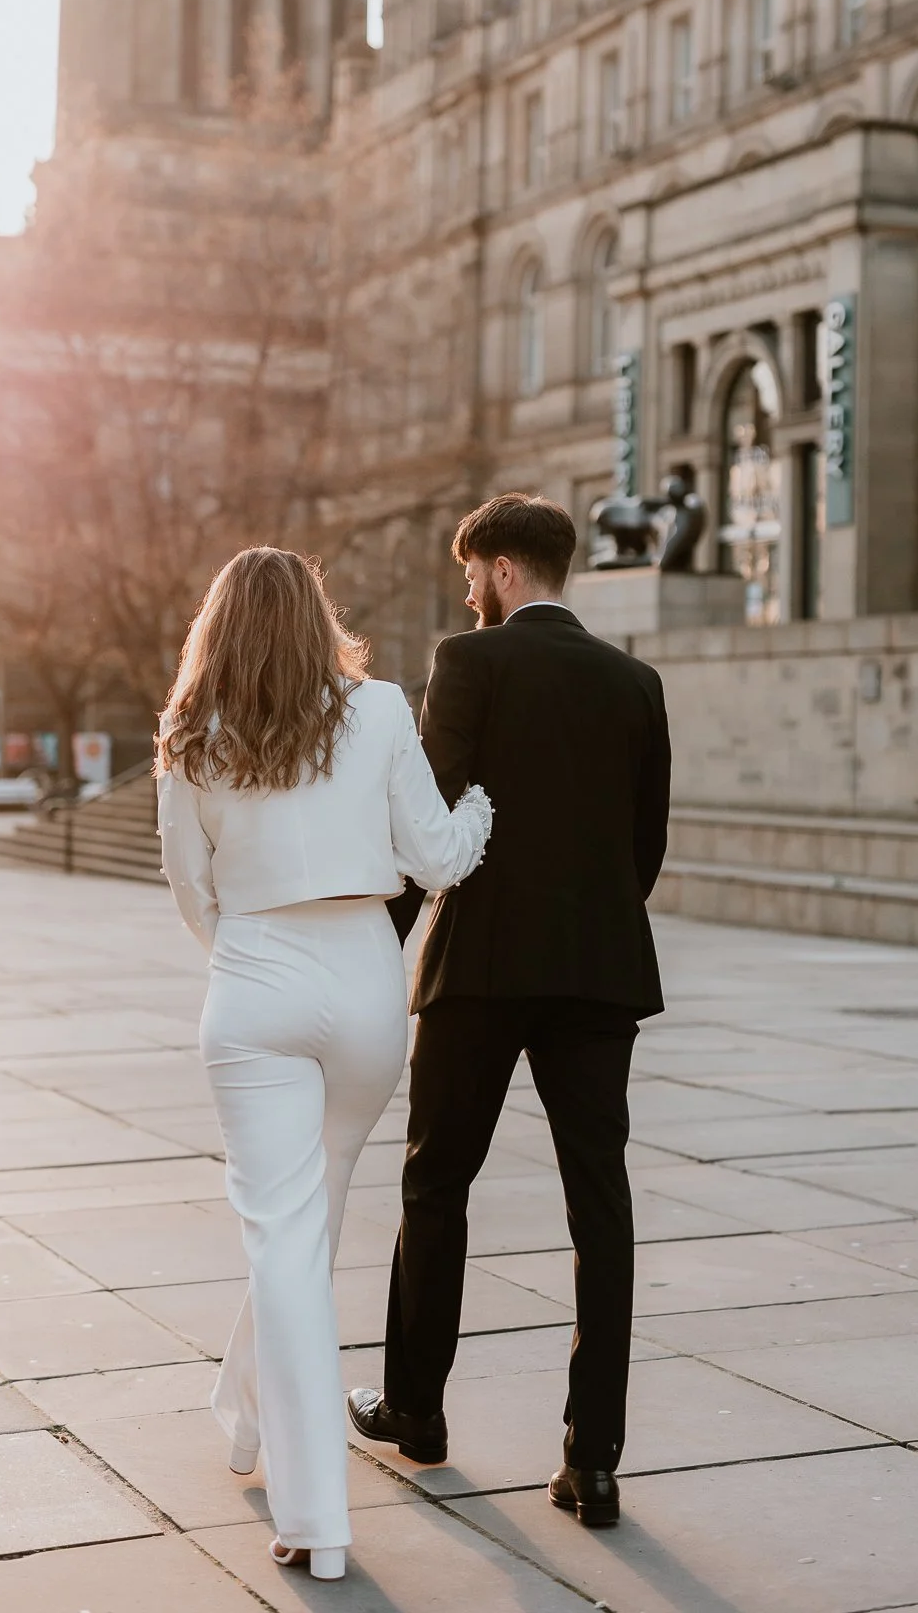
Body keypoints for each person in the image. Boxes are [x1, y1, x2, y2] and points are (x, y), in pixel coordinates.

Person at [157, 548, 492, 1583]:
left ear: (216, 628)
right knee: (308, 1227)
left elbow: (190, 891)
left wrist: (250, 964)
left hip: (255, 973)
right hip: (361, 982)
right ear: (315, 619)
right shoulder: (382, 709)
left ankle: (315, 1519)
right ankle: (249, 1426)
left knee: (288, 1239)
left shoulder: (190, 737)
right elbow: (437, 860)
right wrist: (480, 802)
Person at [348, 494, 671, 1530]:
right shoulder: (636, 683)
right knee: (600, 1207)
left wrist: (374, 949)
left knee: (436, 1182)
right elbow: (642, 850)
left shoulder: (468, 661)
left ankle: (417, 1408)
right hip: (596, 972)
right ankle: (594, 1458)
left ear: (497, 568)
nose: (465, 592)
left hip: (481, 966)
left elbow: (430, 822)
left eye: (469, 573)